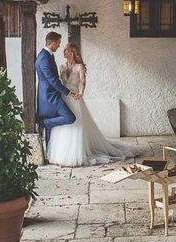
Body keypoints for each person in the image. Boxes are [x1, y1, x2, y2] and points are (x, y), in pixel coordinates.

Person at [47, 43, 135, 166]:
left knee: (76, 124)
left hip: (75, 99)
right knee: (63, 124)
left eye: (66, 50)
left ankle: (75, 154)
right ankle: (61, 154)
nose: (64, 52)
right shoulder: (62, 67)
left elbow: (82, 82)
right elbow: (60, 83)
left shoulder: (79, 67)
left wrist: (81, 93)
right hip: (64, 99)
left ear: (72, 52)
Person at [35, 31, 78, 159]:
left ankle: (50, 155)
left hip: (50, 95)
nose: (59, 46)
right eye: (58, 43)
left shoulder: (47, 55)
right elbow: (52, 80)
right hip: (49, 96)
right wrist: (68, 92)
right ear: (52, 42)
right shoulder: (44, 57)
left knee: (50, 131)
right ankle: (45, 122)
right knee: (70, 118)